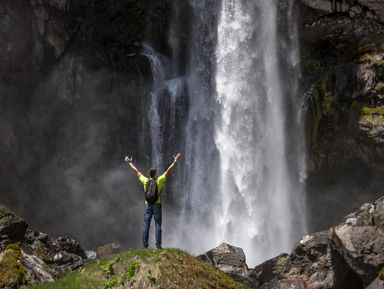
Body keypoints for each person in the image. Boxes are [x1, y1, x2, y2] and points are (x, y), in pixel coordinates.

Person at [124, 153, 181, 249]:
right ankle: (158, 246)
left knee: (146, 225)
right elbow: (168, 171)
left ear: (149, 174)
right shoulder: (159, 180)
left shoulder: (145, 180)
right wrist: (175, 161)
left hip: (148, 205)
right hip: (157, 205)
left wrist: (129, 162)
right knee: (158, 225)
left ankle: (145, 246)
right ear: (155, 174)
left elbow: (136, 171)